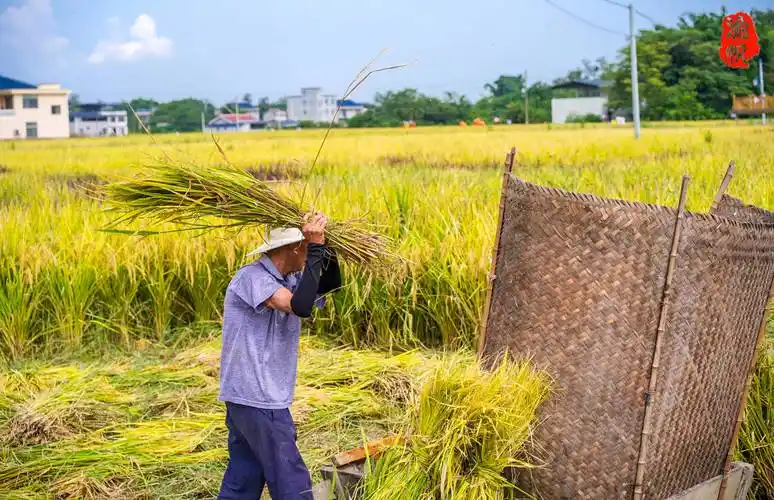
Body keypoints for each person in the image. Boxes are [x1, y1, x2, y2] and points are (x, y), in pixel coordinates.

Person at [217, 213, 342, 499]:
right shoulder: (252, 277)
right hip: (259, 396)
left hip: (246, 399)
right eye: (307, 247)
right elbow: (300, 306)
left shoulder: (293, 278)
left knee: (244, 476)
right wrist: (317, 248)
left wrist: (328, 247)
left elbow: (330, 285)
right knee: (291, 479)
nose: (309, 253)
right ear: (295, 247)